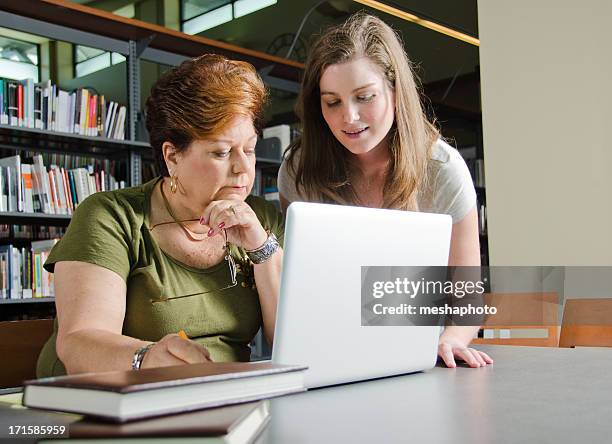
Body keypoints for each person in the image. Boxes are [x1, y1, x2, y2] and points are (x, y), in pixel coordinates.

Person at [37, 54, 283, 377]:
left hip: (217, 398)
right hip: (101, 401)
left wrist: (261, 248)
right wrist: (146, 359)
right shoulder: (111, 217)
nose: (243, 168)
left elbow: (291, 338)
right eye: (221, 152)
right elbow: (79, 343)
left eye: (249, 149)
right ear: (172, 157)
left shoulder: (260, 219)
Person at [277, 12, 492, 369]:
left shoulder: (442, 170)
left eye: (364, 97)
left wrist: (450, 341)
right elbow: (300, 291)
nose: (349, 117)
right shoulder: (299, 171)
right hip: (327, 354)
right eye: (332, 102)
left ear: (395, 91)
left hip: (416, 357)